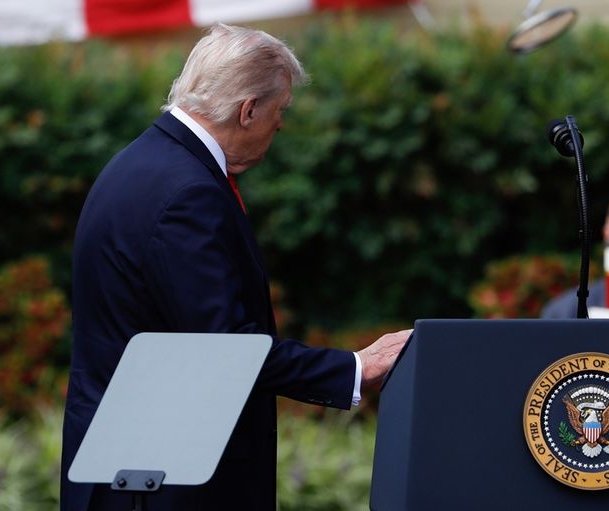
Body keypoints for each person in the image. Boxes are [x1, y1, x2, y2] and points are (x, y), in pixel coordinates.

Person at [59, 23, 411, 511]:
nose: (280, 125)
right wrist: (355, 368)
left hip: (129, 478)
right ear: (248, 110)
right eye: (280, 110)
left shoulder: (141, 163)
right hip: (161, 487)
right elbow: (226, 350)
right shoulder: (188, 192)